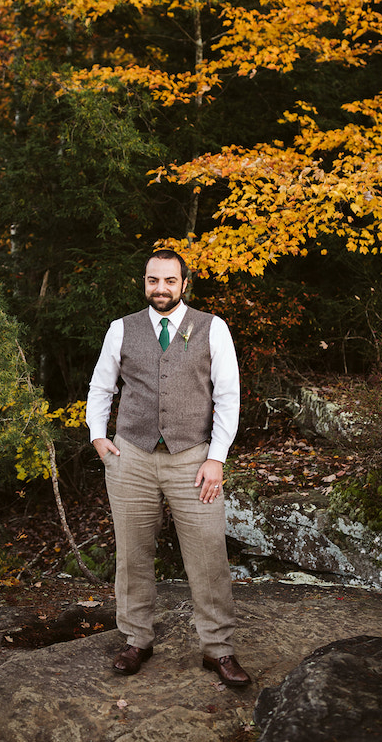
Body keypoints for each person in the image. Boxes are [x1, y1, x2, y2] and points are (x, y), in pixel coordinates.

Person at [86, 248, 251, 686]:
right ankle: (136, 639)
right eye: (152, 280)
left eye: (169, 281)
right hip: (131, 458)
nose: (161, 288)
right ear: (144, 282)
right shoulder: (120, 330)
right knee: (133, 554)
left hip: (194, 459)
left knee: (208, 552)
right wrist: (98, 438)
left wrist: (217, 457)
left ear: (184, 283)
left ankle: (218, 649)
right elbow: (101, 386)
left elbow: (228, 396)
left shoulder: (213, 329)